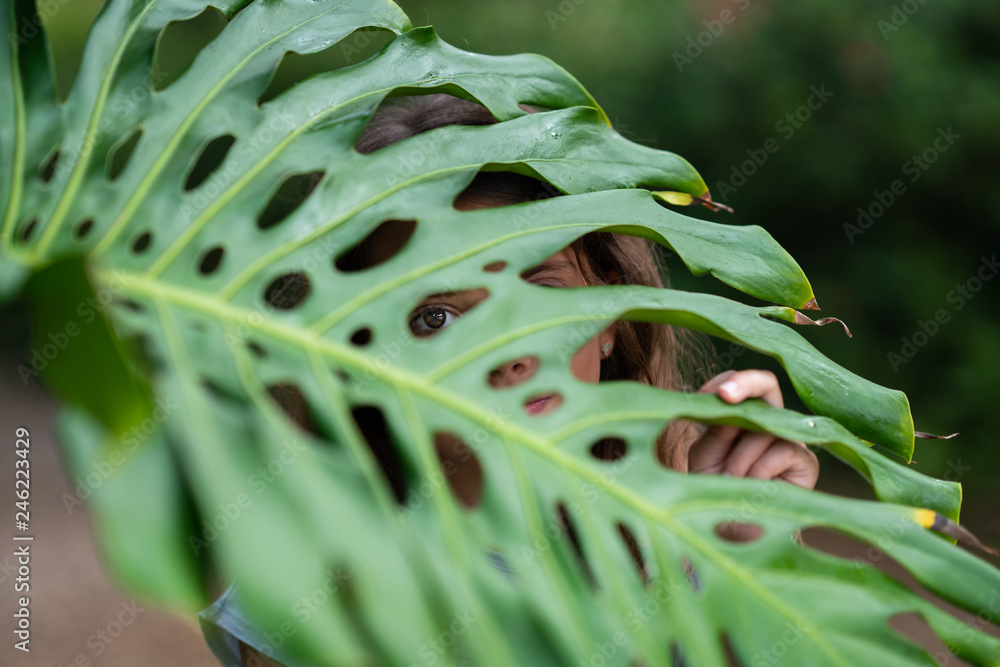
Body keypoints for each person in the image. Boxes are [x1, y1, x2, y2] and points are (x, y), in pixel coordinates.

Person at [201, 93, 819, 667]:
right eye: (434, 317)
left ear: (610, 316)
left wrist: (751, 558)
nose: (508, 352)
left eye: (537, 289)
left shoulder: (686, 563)